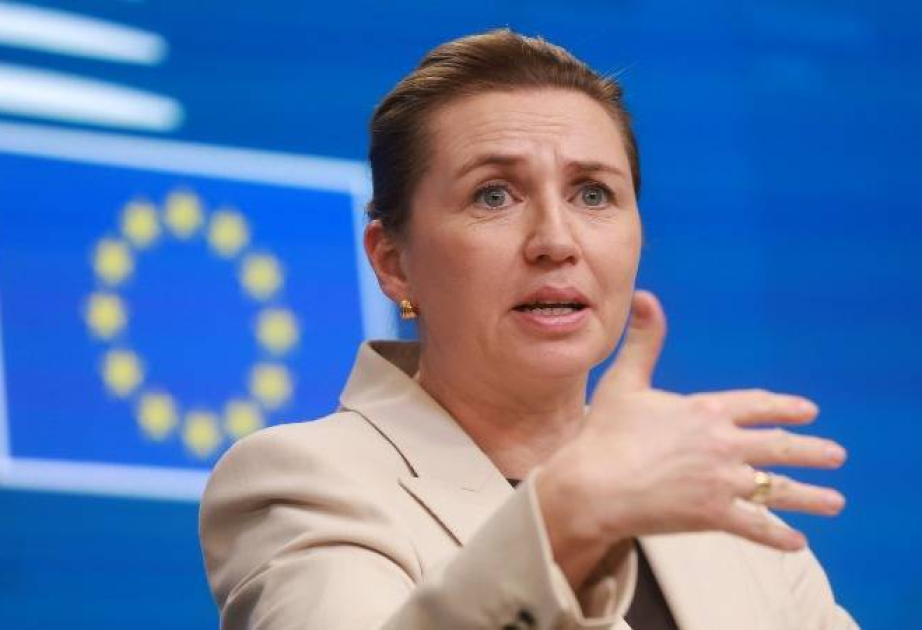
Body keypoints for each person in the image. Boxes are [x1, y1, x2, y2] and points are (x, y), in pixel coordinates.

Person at [199, 29, 859, 630]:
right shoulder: (304, 479)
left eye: (592, 194)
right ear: (393, 263)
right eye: (494, 195)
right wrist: (564, 519)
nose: (556, 241)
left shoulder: (719, 516)